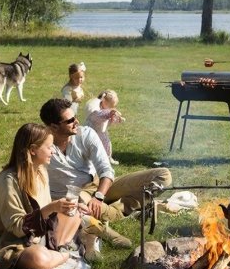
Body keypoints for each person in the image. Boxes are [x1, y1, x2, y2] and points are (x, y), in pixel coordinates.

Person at [39, 98, 172, 243]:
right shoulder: (41, 146)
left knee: (163, 175)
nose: (77, 121)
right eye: (70, 120)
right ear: (54, 126)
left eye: (75, 117)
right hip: (75, 197)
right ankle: (118, 212)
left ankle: (117, 208)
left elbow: (106, 169)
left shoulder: (86, 134)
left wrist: (98, 197)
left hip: (98, 185)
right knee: (79, 204)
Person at [0, 123, 86, 269]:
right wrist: (51, 208)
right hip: (10, 243)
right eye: (49, 147)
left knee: (75, 214)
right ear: (32, 150)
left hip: (36, 235)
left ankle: (57, 250)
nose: (53, 151)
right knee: (38, 259)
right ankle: (63, 253)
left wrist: (64, 207)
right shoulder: (9, 181)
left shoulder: (41, 171)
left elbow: (43, 210)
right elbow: (17, 228)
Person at [84, 89, 125, 165]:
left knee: (106, 143)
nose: (110, 108)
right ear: (103, 100)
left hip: (101, 130)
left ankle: (108, 158)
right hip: (92, 129)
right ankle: (90, 159)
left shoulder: (106, 109)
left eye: (112, 106)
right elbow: (97, 116)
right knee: (92, 144)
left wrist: (116, 118)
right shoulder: (95, 106)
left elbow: (109, 118)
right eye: (109, 106)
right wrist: (109, 114)